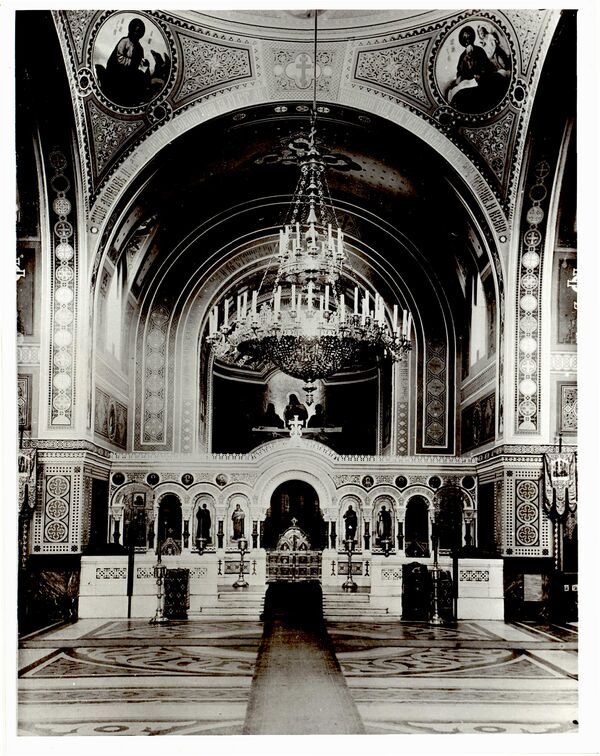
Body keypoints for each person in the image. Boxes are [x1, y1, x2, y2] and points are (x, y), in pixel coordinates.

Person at [446, 25, 507, 113]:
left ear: (472, 38)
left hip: (483, 79)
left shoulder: (479, 50)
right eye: (465, 38)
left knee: (498, 80)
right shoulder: (462, 57)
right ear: (463, 41)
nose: (467, 41)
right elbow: (461, 73)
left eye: (469, 37)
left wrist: (481, 75)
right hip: (470, 82)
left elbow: (487, 66)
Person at [104, 18, 150, 106]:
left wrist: (144, 64)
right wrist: (133, 63)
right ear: (130, 30)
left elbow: (140, 63)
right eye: (135, 31)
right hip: (118, 70)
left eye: (139, 32)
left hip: (131, 71)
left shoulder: (140, 48)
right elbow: (119, 59)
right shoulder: (124, 41)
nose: (137, 34)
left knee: (139, 79)